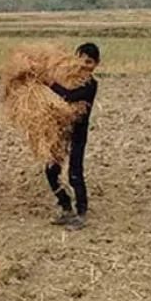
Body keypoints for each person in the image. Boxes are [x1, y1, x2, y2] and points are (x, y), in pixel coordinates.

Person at [47, 42, 100, 231]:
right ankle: (66, 207)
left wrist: (50, 84)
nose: (85, 64)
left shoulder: (91, 85)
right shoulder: (65, 77)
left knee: (75, 172)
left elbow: (68, 96)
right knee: (51, 170)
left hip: (78, 134)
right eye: (81, 60)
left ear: (96, 63)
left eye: (89, 61)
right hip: (60, 132)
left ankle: (81, 213)